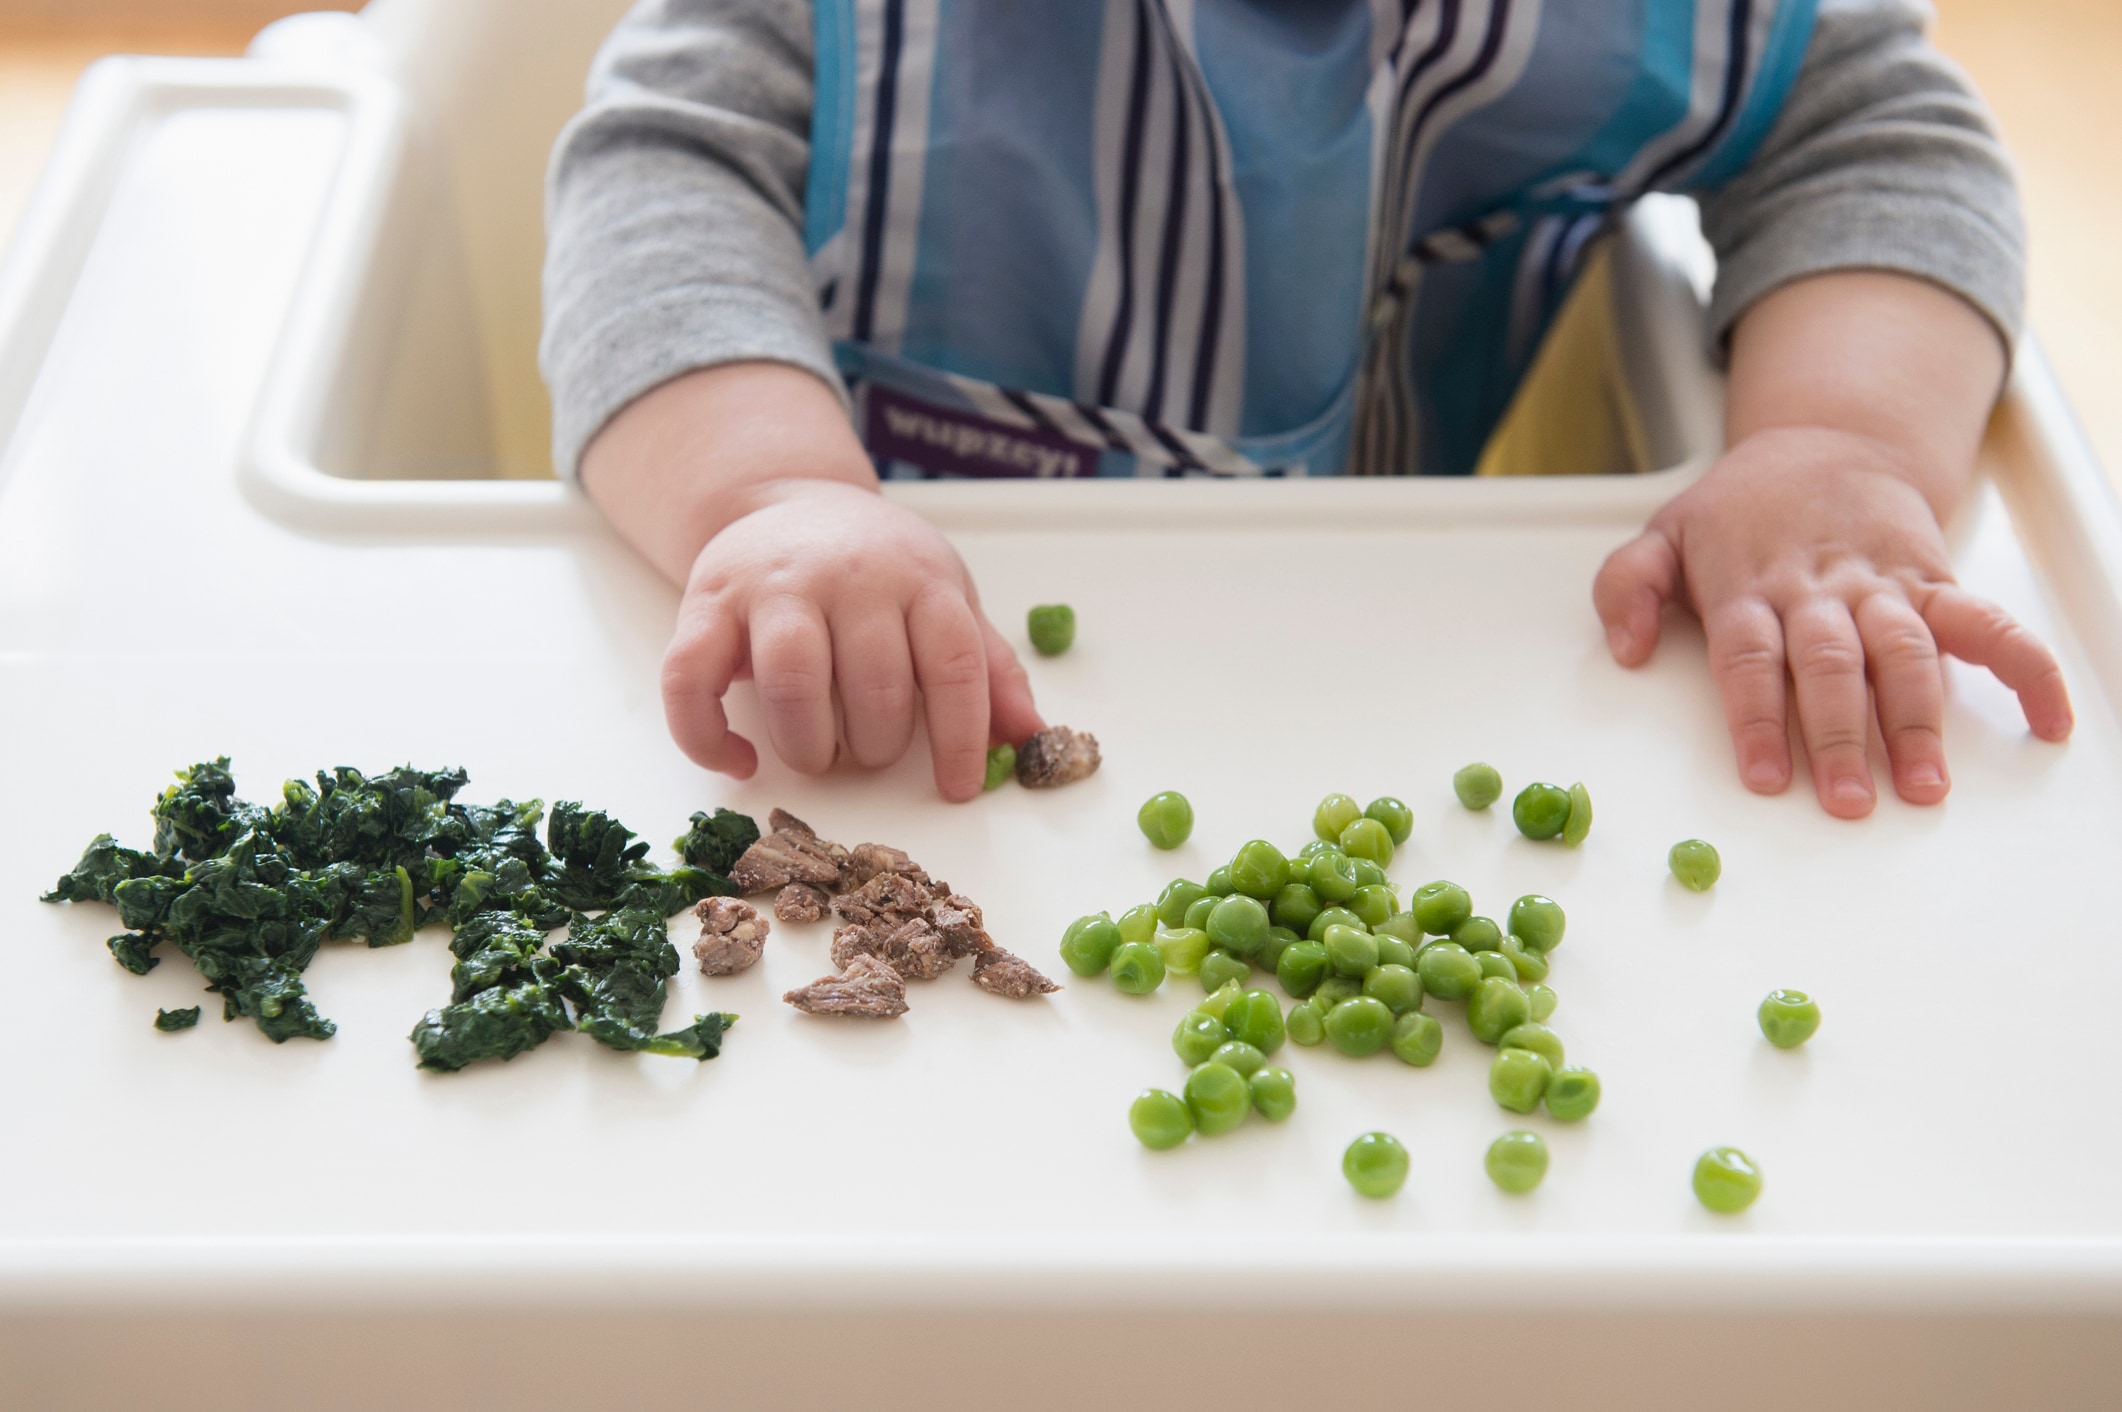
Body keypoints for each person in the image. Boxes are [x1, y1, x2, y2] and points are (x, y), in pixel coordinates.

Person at [542, 0, 2074, 812]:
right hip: (875, 671)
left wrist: (1837, 444)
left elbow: (1872, 136)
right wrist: (766, 494)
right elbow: (661, 177)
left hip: (1364, 651)